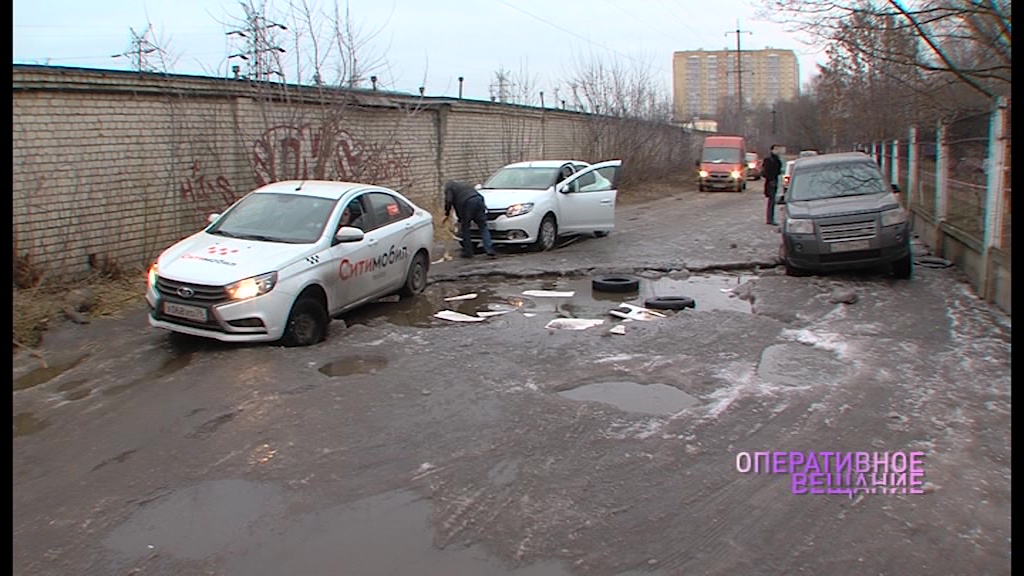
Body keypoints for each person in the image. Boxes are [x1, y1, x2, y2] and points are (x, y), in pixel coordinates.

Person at [443, 180, 496, 258]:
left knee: (465, 228)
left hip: (467, 204)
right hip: (479, 200)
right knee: (483, 226)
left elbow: (449, 200)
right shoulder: (464, 184)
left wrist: (447, 213)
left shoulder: (449, 187)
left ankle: (468, 252)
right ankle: (489, 249)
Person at [761, 144, 783, 225]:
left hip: (774, 181)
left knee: (772, 201)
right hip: (770, 182)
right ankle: (770, 219)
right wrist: (771, 179)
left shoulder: (777, 159)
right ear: (772, 150)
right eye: (776, 149)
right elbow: (765, 172)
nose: (777, 151)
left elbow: (779, 170)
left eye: (778, 149)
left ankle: (770, 218)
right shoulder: (769, 160)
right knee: (771, 200)